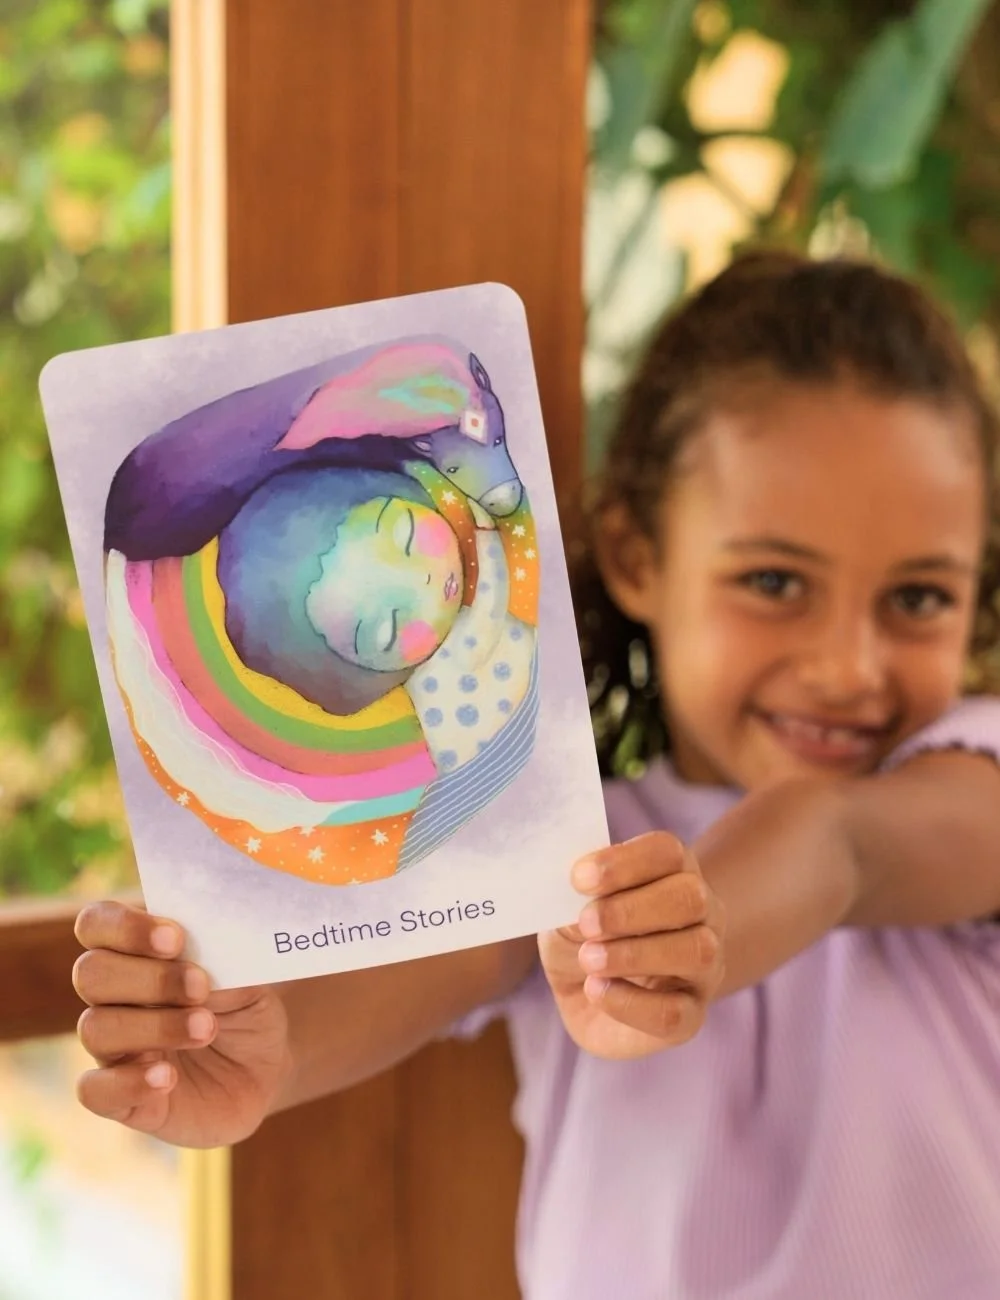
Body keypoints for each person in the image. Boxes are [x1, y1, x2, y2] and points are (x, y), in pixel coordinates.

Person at [73, 252, 1000, 1298]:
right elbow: (425, 966)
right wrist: (259, 1045)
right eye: (774, 581)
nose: (849, 667)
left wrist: (686, 936)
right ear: (635, 555)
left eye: (918, 598)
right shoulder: (554, 833)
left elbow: (839, 842)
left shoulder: (973, 770)